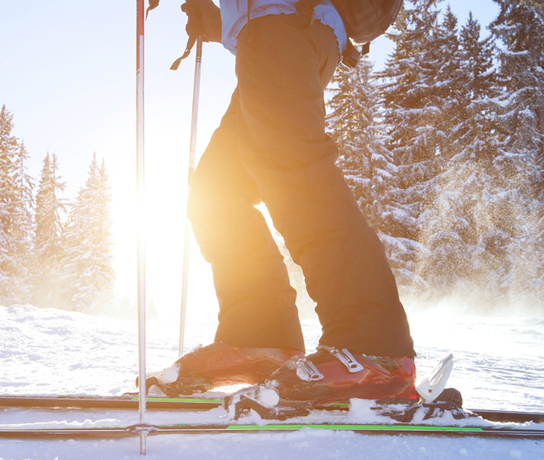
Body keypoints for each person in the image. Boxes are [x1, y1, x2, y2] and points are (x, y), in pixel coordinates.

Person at [151, 0, 418, 408]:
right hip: (269, 32)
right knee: (215, 192)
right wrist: (221, 20)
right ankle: (260, 335)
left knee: (293, 170)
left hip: (288, 26)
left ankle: (373, 346)